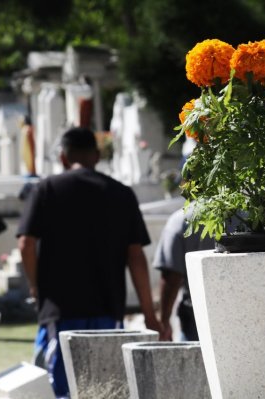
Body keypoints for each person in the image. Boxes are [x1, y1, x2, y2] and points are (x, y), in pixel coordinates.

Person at [17, 127, 163, 397]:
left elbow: (26, 243)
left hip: (60, 307)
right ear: (97, 156)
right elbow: (136, 256)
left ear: (63, 156)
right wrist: (149, 314)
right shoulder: (121, 193)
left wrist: (35, 286)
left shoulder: (46, 189)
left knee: (61, 388)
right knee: (104, 386)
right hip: (108, 306)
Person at [153, 207, 215, 341]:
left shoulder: (181, 219)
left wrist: (164, 322)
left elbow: (172, 276)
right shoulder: (245, 215)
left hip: (196, 317)